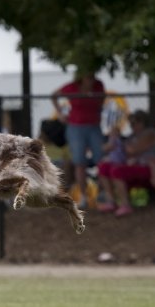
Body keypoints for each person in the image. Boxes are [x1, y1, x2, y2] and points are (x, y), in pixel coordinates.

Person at [52, 71, 105, 208]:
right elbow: (54, 95)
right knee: (79, 161)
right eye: (88, 78)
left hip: (94, 126)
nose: (91, 81)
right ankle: (83, 196)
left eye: (92, 77)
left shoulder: (98, 86)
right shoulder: (72, 87)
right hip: (76, 127)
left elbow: (102, 100)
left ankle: (103, 193)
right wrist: (60, 114)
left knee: (101, 158)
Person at [98, 110, 155, 216]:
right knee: (103, 167)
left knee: (117, 171)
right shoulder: (132, 136)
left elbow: (132, 150)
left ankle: (125, 205)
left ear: (142, 122)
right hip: (134, 166)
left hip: (148, 167)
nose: (131, 126)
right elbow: (114, 150)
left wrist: (120, 142)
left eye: (134, 123)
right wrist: (114, 139)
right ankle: (111, 201)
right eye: (131, 123)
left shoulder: (150, 133)